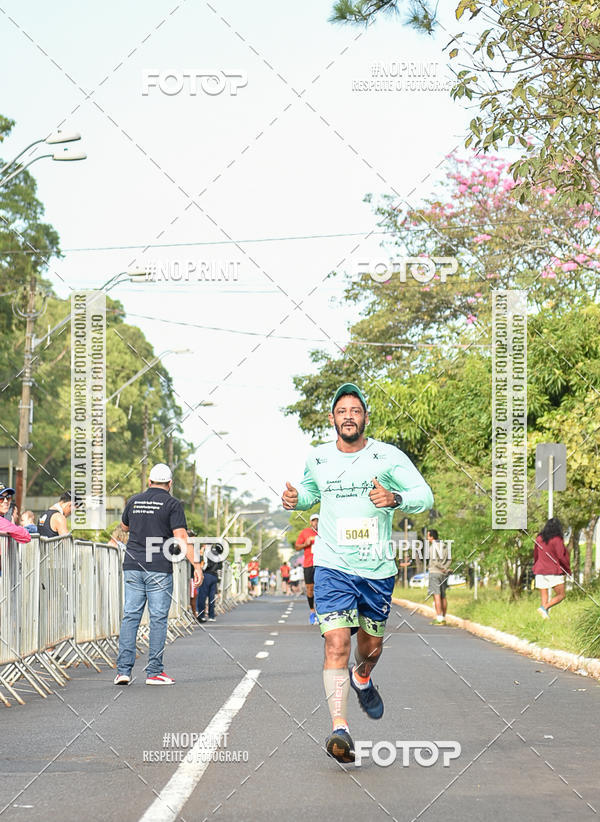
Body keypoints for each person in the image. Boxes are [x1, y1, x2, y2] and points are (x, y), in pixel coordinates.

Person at [282, 383, 433, 763]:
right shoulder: (317, 459)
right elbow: (308, 492)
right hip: (332, 565)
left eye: (355, 410)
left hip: (376, 569)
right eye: (341, 410)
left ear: (365, 417)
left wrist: (396, 498)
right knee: (336, 644)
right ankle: (340, 728)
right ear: (332, 418)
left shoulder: (388, 457)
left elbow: (424, 494)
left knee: (371, 648)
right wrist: (294, 499)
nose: (348, 415)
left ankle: (362, 676)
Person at [114, 463, 202, 686]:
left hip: (133, 565)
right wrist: (197, 565)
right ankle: (154, 672)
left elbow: (124, 527)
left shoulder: (133, 500)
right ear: (170, 484)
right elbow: (181, 537)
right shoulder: (172, 504)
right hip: (158, 567)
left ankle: (123, 671)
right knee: (158, 618)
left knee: (131, 616)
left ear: (149, 482)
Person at [533, 518, 571, 619]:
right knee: (561, 595)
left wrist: (536, 566)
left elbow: (536, 555)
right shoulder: (557, 539)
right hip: (553, 571)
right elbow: (561, 556)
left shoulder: (539, 538)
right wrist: (567, 569)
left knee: (544, 597)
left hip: (540, 570)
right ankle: (544, 608)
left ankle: (544, 617)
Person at [296, 514, 319, 624]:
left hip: (322, 563)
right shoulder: (305, 532)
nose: (316, 523)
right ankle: (312, 612)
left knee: (321, 588)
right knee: (310, 589)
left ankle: (321, 613)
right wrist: (305, 544)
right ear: (310, 522)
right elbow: (297, 546)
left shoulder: (325, 531)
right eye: (314, 521)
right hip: (309, 564)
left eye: (317, 521)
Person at [426, 529, 451, 625]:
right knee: (443, 596)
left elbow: (434, 561)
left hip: (435, 573)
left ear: (432, 537)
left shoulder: (433, 547)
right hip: (443, 574)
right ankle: (444, 617)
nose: (427, 538)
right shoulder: (445, 546)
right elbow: (449, 559)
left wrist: (441, 568)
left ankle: (439, 618)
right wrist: (445, 568)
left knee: (436, 595)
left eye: (428, 536)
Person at [197, 543, 222, 623]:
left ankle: (202, 615)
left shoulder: (207, 552)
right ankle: (212, 616)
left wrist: (201, 570)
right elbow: (220, 568)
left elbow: (205, 564)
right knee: (212, 597)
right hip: (214, 576)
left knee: (202, 596)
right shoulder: (218, 554)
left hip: (207, 575)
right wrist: (219, 580)